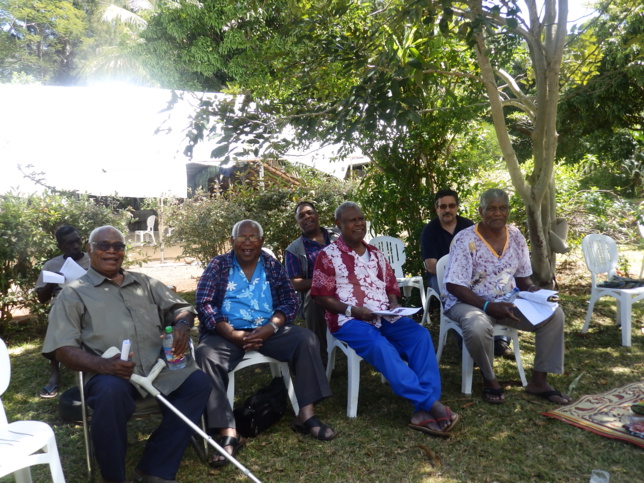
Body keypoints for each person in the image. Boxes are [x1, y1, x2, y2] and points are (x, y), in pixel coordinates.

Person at [42, 225, 212, 483]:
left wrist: (182, 325)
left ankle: (154, 467)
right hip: (109, 374)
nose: (111, 251)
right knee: (111, 394)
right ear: (90, 250)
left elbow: (181, 307)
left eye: (118, 246)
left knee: (198, 382)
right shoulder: (73, 293)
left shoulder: (144, 282)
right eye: (103, 246)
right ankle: (114, 478)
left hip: (157, 370)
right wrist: (103, 366)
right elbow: (62, 349)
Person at [195, 219, 336, 468]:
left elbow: (289, 301)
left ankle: (306, 415)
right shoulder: (218, 265)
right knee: (205, 355)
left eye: (253, 237)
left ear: (261, 241)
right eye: (242, 237)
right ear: (233, 241)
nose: (247, 242)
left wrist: (271, 328)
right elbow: (204, 303)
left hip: (268, 330)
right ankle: (228, 431)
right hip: (227, 332)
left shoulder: (271, 264)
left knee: (306, 339)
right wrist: (229, 332)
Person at [311, 202, 459, 437]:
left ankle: (422, 410)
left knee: (420, 336)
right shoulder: (327, 256)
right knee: (380, 346)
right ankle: (431, 404)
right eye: (352, 220)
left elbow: (391, 285)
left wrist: (394, 304)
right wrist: (354, 311)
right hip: (349, 320)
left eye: (361, 218)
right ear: (339, 224)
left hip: (384, 315)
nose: (359, 223)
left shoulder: (376, 253)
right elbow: (321, 297)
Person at [443, 189, 572, 405]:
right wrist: (487, 306)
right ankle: (489, 379)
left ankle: (539, 381)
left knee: (554, 315)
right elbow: (454, 285)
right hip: (467, 302)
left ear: (508, 211)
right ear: (480, 210)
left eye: (502, 208)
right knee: (476, 326)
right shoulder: (465, 239)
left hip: (508, 301)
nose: (497, 213)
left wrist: (535, 293)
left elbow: (523, 279)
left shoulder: (516, 236)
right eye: (491, 208)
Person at [421, 189, 513, 359]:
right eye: (443, 206)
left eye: (451, 205)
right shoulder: (430, 231)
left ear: (457, 207)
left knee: (498, 290)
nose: (447, 210)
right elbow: (432, 266)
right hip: (440, 277)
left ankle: (500, 340)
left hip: (473, 277)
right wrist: (457, 272)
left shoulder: (469, 226)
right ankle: (465, 341)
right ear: (437, 208)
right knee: (453, 297)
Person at [35, 225, 91, 398]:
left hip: (91, 299)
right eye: (69, 243)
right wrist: (54, 280)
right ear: (60, 246)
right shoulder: (52, 265)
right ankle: (55, 373)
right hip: (62, 301)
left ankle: (94, 365)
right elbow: (42, 298)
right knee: (57, 316)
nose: (75, 246)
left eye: (77, 241)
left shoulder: (93, 260)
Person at [284, 201, 339, 362]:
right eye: (301, 216)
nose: (306, 217)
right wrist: (322, 280)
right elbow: (295, 283)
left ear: (317, 215)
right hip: (320, 294)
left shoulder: (337, 235)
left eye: (309, 212)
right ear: (298, 222)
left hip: (348, 286)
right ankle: (321, 358)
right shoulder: (294, 250)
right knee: (313, 297)